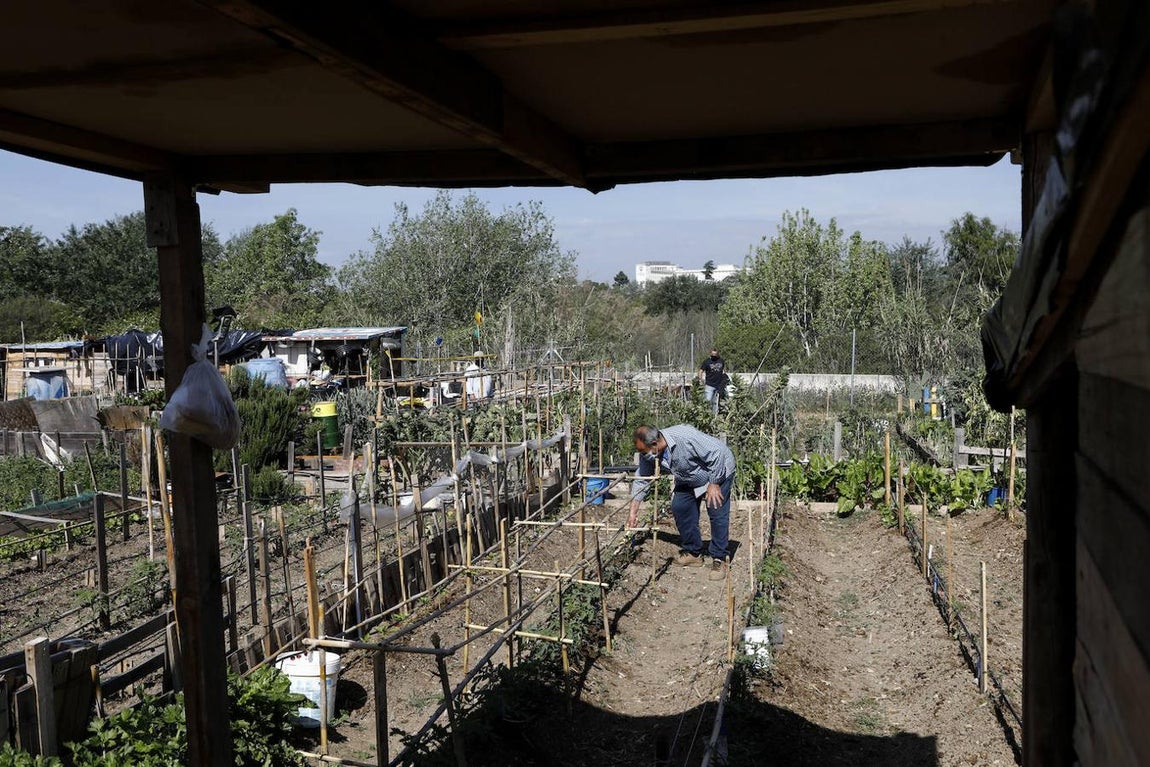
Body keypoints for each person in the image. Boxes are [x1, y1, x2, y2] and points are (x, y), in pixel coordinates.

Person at [627, 424, 736, 580]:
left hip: (718, 469)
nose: (643, 455)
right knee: (680, 507)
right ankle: (693, 553)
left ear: (654, 445)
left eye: (644, 451)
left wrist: (714, 483)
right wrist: (633, 512)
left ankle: (720, 558)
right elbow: (641, 480)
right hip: (689, 475)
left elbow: (717, 453)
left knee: (716, 508)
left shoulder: (685, 437)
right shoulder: (650, 454)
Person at [698, 348, 726, 414]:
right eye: (712, 354)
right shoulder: (707, 362)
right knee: (708, 401)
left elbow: (723, 371)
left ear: (718, 354)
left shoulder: (721, 361)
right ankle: (706, 415)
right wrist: (701, 380)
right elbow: (700, 371)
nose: (714, 356)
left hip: (718, 385)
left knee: (715, 403)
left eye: (715, 354)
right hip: (709, 385)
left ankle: (714, 417)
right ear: (710, 354)